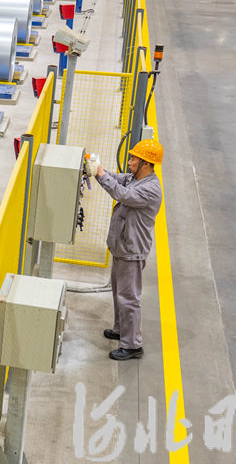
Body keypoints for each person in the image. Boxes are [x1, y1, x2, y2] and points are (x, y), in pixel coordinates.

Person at [89, 139, 164, 361]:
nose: (129, 162)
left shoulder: (150, 189)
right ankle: (121, 329)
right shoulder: (135, 178)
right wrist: (98, 170)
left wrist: (100, 174)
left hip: (132, 250)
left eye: (133, 159)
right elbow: (116, 179)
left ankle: (132, 345)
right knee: (119, 292)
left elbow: (121, 194)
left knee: (129, 298)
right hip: (122, 246)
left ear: (146, 164)